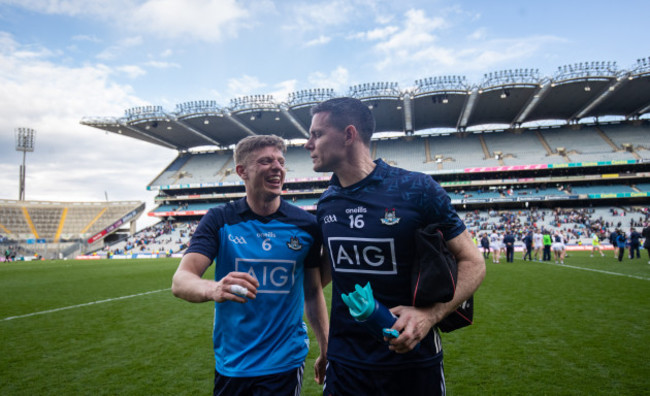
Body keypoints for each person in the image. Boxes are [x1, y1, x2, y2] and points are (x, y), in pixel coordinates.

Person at [305, 97, 486, 396]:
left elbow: (473, 262)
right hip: (345, 367)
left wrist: (431, 315)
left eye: (317, 134)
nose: (308, 144)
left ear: (349, 135)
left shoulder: (417, 189)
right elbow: (321, 278)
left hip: (412, 364)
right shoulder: (327, 203)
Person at [171, 135, 329, 395]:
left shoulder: (305, 225)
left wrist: (326, 347)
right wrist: (213, 289)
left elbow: (312, 291)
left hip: (284, 361)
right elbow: (181, 280)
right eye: (266, 161)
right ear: (242, 171)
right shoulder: (219, 219)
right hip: (232, 361)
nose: (277, 167)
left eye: (281, 161)